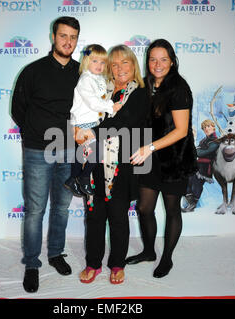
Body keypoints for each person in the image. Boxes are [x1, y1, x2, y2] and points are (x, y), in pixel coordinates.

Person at [11, 16, 80, 293]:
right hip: (38, 150)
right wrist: (34, 135)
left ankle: (55, 253)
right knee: (35, 210)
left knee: (61, 208)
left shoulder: (82, 72)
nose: (68, 42)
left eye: (73, 37)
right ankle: (31, 263)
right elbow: (18, 109)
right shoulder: (33, 71)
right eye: (63, 36)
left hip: (69, 150)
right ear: (54, 36)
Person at [75, 45, 150, 285]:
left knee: (118, 216)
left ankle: (117, 263)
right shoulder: (99, 89)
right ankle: (93, 263)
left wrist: (89, 132)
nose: (119, 69)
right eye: (114, 64)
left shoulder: (138, 93)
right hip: (94, 162)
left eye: (124, 63)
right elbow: (79, 113)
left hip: (121, 164)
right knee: (94, 216)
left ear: (133, 65)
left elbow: (123, 123)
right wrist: (77, 130)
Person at [126, 39, 197, 278]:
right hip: (148, 156)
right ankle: (148, 251)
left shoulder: (178, 87)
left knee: (172, 208)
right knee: (144, 208)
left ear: (172, 61)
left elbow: (181, 130)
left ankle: (166, 258)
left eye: (163, 59)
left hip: (174, 160)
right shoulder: (144, 84)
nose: (158, 64)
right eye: (153, 59)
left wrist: (150, 148)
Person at [65, 44, 123, 197]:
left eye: (103, 62)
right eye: (95, 61)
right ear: (86, 61)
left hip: (92, 122)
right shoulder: (85, 79)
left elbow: (102, 95)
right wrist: (111, 107)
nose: (99, 65)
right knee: (96, 153)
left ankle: (72, 178)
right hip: (84, 122)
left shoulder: (98, 79)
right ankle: (83, 177)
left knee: (81, 153)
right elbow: (93, 102)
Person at [182, 119, 219, 212]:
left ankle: (192, 205)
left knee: (196, 184)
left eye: (208, 126)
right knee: (188, 181)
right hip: (198, 164)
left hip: (206, 166)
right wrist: (199, 151)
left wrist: (198, 150)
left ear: (213, 127)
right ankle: (190, 203)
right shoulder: (204, 140)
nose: (206, 129)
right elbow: (198, 151)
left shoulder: (215, 140)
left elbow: (205, 152)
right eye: (204, 127)